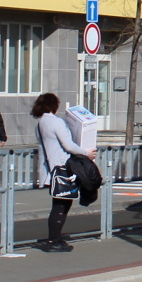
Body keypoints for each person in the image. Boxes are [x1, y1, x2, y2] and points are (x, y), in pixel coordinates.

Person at [31, 93, 96, 253]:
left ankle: (55, 238)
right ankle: (54, 240)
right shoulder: (56, 122)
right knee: (61, 205)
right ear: (54, 105)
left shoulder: (40, 123)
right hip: (62, 168)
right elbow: (68, 145)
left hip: (51, 169)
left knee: (59, 204)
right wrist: (86, 152)